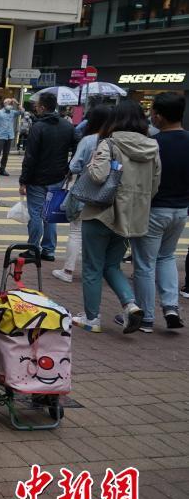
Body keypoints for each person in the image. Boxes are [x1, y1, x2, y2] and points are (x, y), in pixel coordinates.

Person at [72, 100, 161, 334]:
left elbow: (99, 176)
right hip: (130, 217)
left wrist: (93, 162)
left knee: (92, 267)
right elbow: (154, 186)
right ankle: (130, 305)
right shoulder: (152, 148)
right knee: (112, 265)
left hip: (101, 213)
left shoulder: (109, 144)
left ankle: (92, 318)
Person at [130, 92, 189, 331]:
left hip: (154, 210)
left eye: (153, 112)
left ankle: (146, 318)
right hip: (180, 210)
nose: (151, 116)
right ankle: (171, 306)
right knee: (167, 257)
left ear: (160, 117)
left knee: (145, 264)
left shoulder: (153, 145)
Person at [52, 105, 114, 284]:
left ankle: (68, 270)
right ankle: (99, 271)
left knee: (76, 231)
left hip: (84, 191)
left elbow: (74, 166)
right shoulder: (116, 141)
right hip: (108, 194)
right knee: (100, 234)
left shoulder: (89, 141)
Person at [19, 92, 77, 262]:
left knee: (35, 213)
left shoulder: (38, 127)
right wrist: (69, 166)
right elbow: (77, 146)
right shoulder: (67, 126)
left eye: (37, 105)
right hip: (58, 176)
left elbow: (30, 157)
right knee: (50, 213)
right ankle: (49, 250)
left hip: (37, 179)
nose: (35, 108)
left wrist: (24, 180)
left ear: (43, 107)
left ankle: (33, 248)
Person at [0, 99, 18, 176]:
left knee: (6, 154)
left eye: (11, 103)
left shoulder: (13, 112)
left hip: (9, 136)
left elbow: (22, 112)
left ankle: (2, 169)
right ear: (4, 103)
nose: (10, 104)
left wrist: (17, 103)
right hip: (0, 135)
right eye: (9, 103)